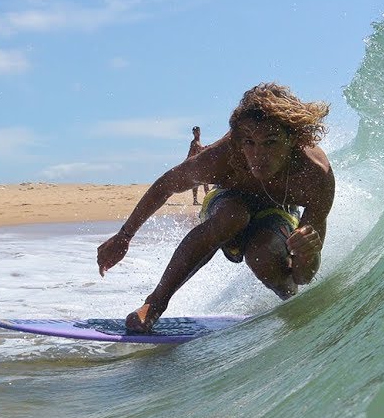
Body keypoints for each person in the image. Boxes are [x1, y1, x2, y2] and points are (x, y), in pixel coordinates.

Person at [97, 82, 334, 332]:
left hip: (278, 211)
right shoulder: (223, 156)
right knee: (233, 216)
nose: (257, 155)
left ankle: (291, 304)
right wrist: (125, 236)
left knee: (262, 255)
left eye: (271, 142)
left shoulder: (315, 175)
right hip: (227, 202)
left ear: (294, 139)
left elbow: (304, 276)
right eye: (249, 142)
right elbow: (165, 185)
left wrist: (307, 254)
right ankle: (154, 304)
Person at [187, 126, 210, 204]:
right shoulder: (195, 142)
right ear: (193, 133)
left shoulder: (197, 142)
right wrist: (207, 148)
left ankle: (196, 200)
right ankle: (203, 200)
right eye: (195, 132)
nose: (196, 133)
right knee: (203, 182)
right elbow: (201, 150)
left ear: (200, 132)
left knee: (200, 183)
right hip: (195, 164)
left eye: (197, 131)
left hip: (196, 164)